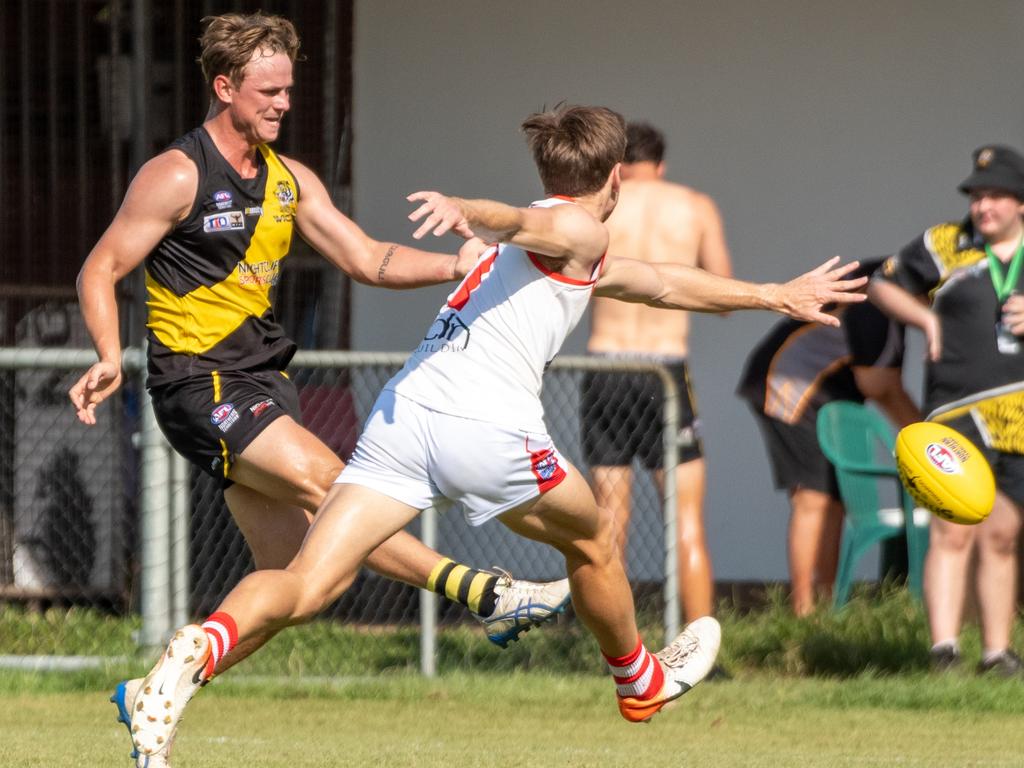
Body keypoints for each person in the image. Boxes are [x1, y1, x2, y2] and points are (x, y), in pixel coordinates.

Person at [127, 103, 868, 762]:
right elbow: (526, 220)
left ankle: (196, 651)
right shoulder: (569, 226)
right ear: (616, 178)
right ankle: (640, 682)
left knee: (308, 582)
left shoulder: (567, 254)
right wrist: (468, 209)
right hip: (482, 428)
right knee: (594, 540)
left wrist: (775, 295)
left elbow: (666, 282)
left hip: (405, 416)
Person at [67, 13, 569, 766]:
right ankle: (487, 595)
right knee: (335, 484)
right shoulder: (177, 174)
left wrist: (464, 266)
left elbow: (369, 258)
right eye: (267, 91)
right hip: (197, 385)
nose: (282, 103)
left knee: (306, 581)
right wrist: (109, 353)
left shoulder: (289, 179)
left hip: (262, 382)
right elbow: (99, 269)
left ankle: (153, 690)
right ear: (224, 87)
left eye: (289, 90)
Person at [869, 144, 1024, 677]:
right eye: (978, 196)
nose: (984, 207)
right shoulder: (946, 243)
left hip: (1019, 415)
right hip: (955, 410)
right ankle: (943, 651)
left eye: (997, 196)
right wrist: (926, 319)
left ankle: (997, 653)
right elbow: (881, 285)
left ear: (1021, 202)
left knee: (1003, 533)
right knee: (952, 529)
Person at [583, 121, 732, 627]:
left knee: (609, 519)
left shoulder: (600, 207)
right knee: (685, 519)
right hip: (664, 371)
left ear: (616, 167)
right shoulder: (694, 206)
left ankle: (615, 648)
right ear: (661, 164)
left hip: (605, 365)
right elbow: (723, 295)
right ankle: (701, 643)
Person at [737, 259, 921, 616]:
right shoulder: (880, 296)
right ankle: (805, 616)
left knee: (833, 504)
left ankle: (825, 609)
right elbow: (879, 385)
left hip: (826, 394)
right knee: (814, 500)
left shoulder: (889, 285)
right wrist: (929, 438)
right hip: (791, 387)